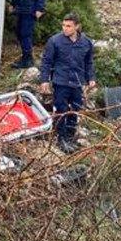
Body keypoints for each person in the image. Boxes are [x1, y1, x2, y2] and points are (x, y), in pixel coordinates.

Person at [38, 12, 97, 154]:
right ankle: (61, 138)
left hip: (77, 82)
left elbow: (88, 62)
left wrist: (91, 78)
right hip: (61, 81)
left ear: (77, 26)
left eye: (69, 26)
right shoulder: (55, 41)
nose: (65, 28)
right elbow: (46, 61)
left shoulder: (86, 42)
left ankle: (70, 137)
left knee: (74, 109)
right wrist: (44, 80)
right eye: (64, 25)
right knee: (60, 110)